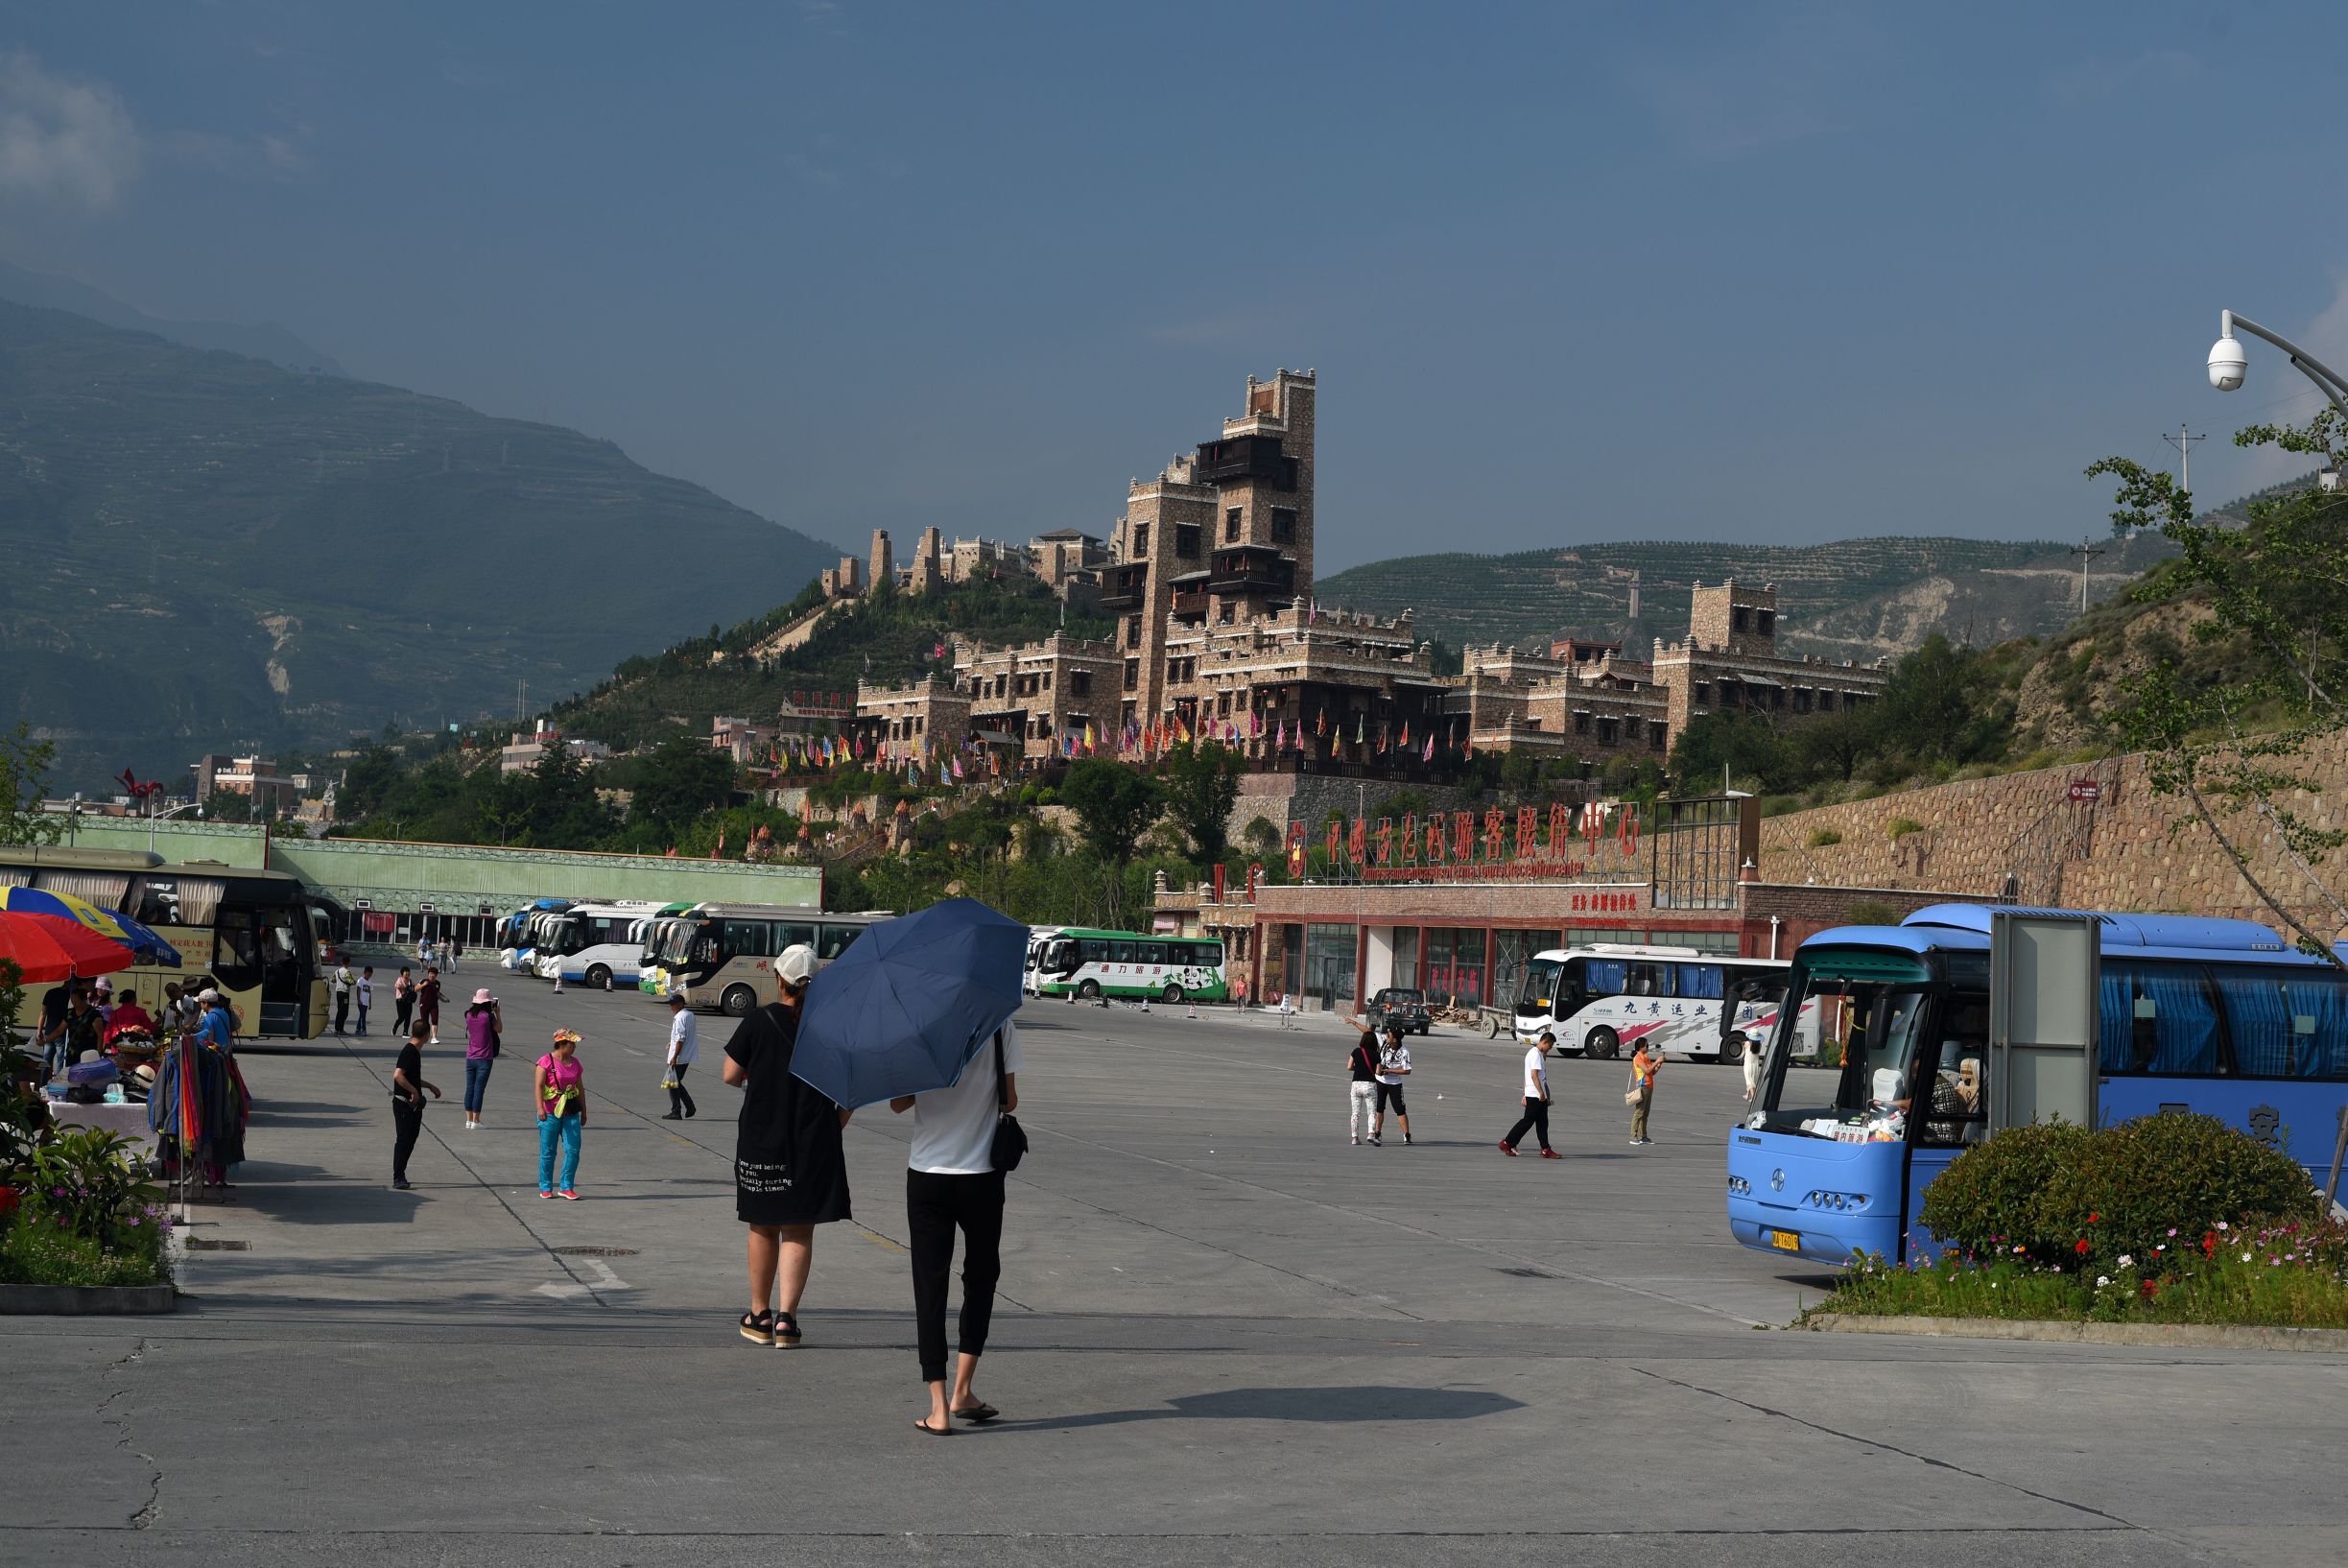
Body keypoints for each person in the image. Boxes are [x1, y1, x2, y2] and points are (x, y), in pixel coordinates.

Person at [890, 1018, 1020, 1437]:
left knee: (930, 1286)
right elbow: (1010, 1101)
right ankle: (963, 1388)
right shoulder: (999, 1025)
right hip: (981, 1175)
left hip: (928, 1174)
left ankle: (938, 1407)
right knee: (980, 1278)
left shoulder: (921, 1026)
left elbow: (898, 1102)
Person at [721, 945, 851, 1348]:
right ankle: (785, 1322)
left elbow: (729, 1075)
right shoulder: (829, 1029)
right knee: (799, 1228)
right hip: (813, 1141)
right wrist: (831, 1126)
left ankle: (759, 1314)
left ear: (779, 979)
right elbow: (850, 1091)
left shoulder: (758, 1021)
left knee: (762, 1224)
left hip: (762, 1139)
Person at [534, 1029, 588, 1200]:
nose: (574, 1046)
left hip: (570, 1112)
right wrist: (540, 1108)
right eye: (572, 1043)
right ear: (561, 1044)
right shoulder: (545, 1061)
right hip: (550, 1112)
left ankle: (566, 1186)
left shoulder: (575, 1063)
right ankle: (545, 1187)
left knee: (573, 1149)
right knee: (548, 1152)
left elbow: (580, 1088)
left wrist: (584, 1111)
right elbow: (539, 1086)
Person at [391, 1018, 439, 1190]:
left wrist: (429, 1086)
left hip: (413, 1106)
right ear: (426, 1035)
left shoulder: (414, 1051)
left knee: (411, 1139)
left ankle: (401, 1172)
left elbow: (411, 1077)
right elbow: (398, 1075)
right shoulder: (409, 1052)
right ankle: (398, 1176)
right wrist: (414, 1091)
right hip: (403, 1105)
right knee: (404, 1140)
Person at [1501, 1031, 1561, 1157]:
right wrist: (1541, 1093)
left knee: (1542, 1123)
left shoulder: (1537, 1054)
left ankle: (1545, 1149)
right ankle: (1507, 1142)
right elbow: (1534, 1075)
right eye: (1550, 1046)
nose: (1550, 1049)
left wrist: (1525, 1093)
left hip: (1535, 1094)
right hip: (1536, 1095)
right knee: (1527, 1122)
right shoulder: (1535, 1055)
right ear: (1545, 1042)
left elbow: (1527, 1076)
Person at [461, 988, 502, 1130]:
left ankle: (469, 1119)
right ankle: (476, 1120)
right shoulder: (488, 1016)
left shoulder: (468, 1015)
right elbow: (499, 1029)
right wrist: (498, 1013)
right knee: (479, 1089)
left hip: (470, 1056)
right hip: (484, 1058)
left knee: (470, 1088)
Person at [1373, 1024, 1413, 1146]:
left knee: (1400, 1110)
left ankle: (1407, 1135)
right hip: (1380, 1081)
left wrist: (1389, 1071)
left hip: (1395, 1083)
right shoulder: (1384, 1042)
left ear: (1394, 1039)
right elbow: (1368, 1032)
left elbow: (1407, 1070)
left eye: (1389, 1035)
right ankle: (1377, 1133)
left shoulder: (1404, 1051)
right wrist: (1354, 1023)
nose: (1386, 1036)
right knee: (1379, 1108)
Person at [661, 991, 699, 1120]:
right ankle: (690, 1107)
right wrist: (671, 1043)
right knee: (676, 1082)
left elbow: (681, 1038)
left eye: (673, 1004)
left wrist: (674, 1056)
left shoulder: (679, 1017)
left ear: (681, 1004)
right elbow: (682, 1035)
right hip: (686, 1055)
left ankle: (676, 1111)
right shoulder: (689, 1015)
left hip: (679, 1056)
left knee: (672, 1083)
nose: (671, 1007)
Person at [1346, 1029, 1379, 1145]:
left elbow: (1349, 1067)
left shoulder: (1356, 1051)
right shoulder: (1376, 1054)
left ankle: (1355, 1138)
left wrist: (1359, 1068)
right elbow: (1378, 1072)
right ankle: (1371, 1134)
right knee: (1371, 1112)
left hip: (1356, 1085)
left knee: (1355, 1113)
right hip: (1370, 1085)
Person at [1628, 1038, 1661, 1146]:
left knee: (1645, 1113)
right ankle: (1633, 1136)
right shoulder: (1638, 1058)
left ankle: (1644, 1136)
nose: (1648, 1047)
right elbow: (1647, 1070)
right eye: (1646, 1045)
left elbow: (1652, 1072)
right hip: (1643, 1087)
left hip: (1649, 1087)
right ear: (1641, 1047)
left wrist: (1659, 1065)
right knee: (1639, 1112)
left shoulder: (1645, 1057)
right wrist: (1657, 1061)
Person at [416, 965, 445, 1046]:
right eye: (430, 973)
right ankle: (424, 1036)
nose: (431, 975)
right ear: (428, 974)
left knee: (435, 1020)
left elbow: (437, 993)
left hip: (434, 1005)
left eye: (433, 974)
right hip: (424, 1004)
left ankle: (434, 1038)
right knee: (424, 1021)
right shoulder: (423, 981)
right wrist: (423, 985)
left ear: (436, 975)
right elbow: (415, 989)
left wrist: (443, 999)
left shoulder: (437, 983)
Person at [330, 962, 354, 1036]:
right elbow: (352, 981)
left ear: (341, 962)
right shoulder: (347, 972)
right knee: (344, 1011)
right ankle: (340, 1029)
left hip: (338, 993)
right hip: (345, 993)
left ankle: (337, 1029)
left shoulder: (337, 971)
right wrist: (354, 981)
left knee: (339, 1010)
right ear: (348, 963)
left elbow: (332, 980)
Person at [392, 967, 415, 1038]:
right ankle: (395, 1026)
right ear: (402, 973)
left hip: (408, 1001)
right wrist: (407, 987)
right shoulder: (400, 979)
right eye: (406, 972)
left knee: (408, 1017)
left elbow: (415, 987)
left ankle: (405, 1032)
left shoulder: (410, 981)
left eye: (408, 972)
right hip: (400, 1000)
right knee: (401, 1017)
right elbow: (398, 986)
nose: (407, 973)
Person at [356, 967, 374, 1037]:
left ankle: (357, 1030)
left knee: (361, 1015)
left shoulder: (370, 982)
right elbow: (358, 990)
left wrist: (370, 1003)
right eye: (368, 974)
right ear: (364, 973)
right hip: (361, 1002)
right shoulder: (360, 980)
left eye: (370, 975)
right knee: (363, 1016)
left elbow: (369, 993)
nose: (369, 976)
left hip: (366, 1003)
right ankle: (363, 1030)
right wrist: (358, 1000)